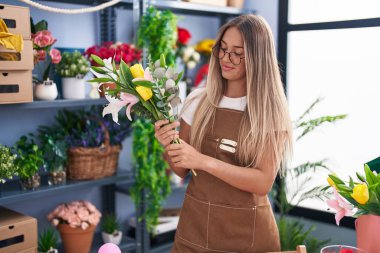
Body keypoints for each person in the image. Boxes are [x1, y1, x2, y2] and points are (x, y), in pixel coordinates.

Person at [154, 14, 293, 253]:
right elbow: (179, 170)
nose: (226, 59)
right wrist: (167, 144)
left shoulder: (270, 112)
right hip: (194, 229)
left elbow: (262, 182)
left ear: (258, 58)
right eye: (223, 49)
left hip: (248, 236)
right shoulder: (197, 101)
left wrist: (204, 161)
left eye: (237, 52)